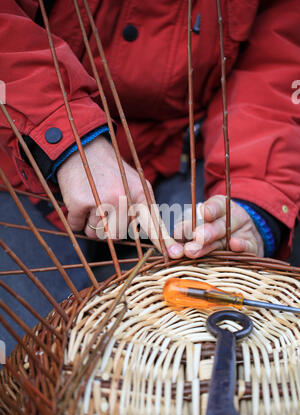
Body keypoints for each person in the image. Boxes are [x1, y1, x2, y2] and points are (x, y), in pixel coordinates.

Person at [1, 0, 300, 277]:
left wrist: (255, 197)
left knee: (208, 290)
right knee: (40, 326)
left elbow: (278, 60)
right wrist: (66, 139)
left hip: (180, 154)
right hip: (16, 156)